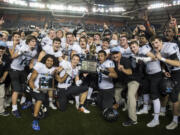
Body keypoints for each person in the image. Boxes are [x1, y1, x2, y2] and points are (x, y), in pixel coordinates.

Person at [150, 36, 180, 130]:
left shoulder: (169, 47)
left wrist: (161, 58)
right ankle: (162, 110)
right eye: (153, 44)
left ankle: (175, 120)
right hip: (171, 71)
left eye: (157, 42)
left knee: (174, 96)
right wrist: (164, 70)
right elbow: (162, 63)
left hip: (178, 71)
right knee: (164, 90)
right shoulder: (156, 50)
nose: (155, 45)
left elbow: (178, 63)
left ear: (161, 42)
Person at [29, 54, 60, 131]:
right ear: (45, 61)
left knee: (45, 112)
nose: (49, 62)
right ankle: (35, 120)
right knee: (40, 99)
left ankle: (32, 103)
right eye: (48, 60)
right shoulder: (39, 66)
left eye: (51, 61)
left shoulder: (54, 69)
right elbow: (31, 80)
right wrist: (34, 88)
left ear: (53, 62)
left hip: (44, 89)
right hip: (35, 88)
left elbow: (53, 80)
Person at [10, 35, 38, 118]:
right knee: (16, 89)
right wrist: (21, 52)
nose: (34, 43)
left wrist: (33, 69)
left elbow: (31, 62)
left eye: (35, 41)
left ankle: (23, 101)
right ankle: (14, 109)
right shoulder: (23, 47)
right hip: (14, 69)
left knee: (25, 86)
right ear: (28, 42)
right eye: (32, 41)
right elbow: (13, 57)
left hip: (22, 70)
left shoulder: (34, 51)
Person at [0, 41, 10, 116]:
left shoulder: (6, 57)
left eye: (3, 48)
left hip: (1, 80)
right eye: (0, 48)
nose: (1, 50)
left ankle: (1, 110)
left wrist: (3, 77)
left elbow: (7, 69)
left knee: (1, 96)